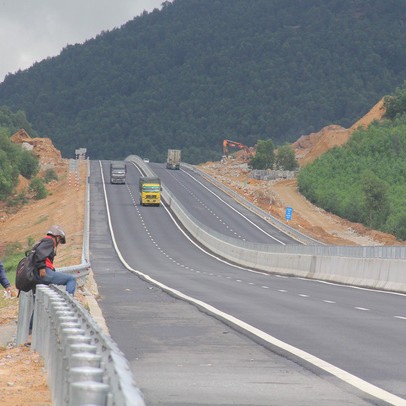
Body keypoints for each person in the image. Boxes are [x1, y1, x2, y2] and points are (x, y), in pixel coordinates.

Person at [33, 225, 76, 295]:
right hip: (44, 272)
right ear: (58, 237)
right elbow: (40, 252)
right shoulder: (49, 241)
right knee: (71, 279)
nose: (58, 244)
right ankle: (68, 303)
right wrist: (42, 268)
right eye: (60, 241)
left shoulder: (41, 241)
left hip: (36, 273)